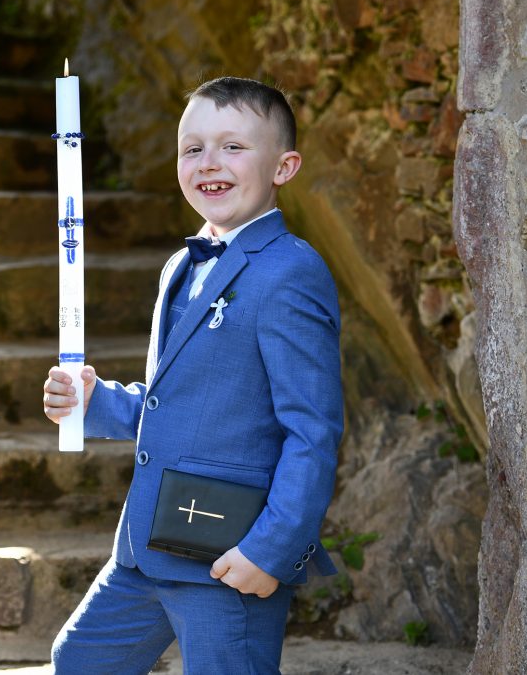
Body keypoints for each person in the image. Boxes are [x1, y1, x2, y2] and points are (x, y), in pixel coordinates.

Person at [42, 76, 344, 674]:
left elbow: (313, 433)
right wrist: (95, 401)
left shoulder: (291, 273)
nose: (210, 163)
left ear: (284, 166)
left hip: (228, 552)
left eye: (234, 147)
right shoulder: (181, 265)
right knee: (79, 661)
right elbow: (172, 402)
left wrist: (271, 549)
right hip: (145, 544)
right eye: (192, 148)